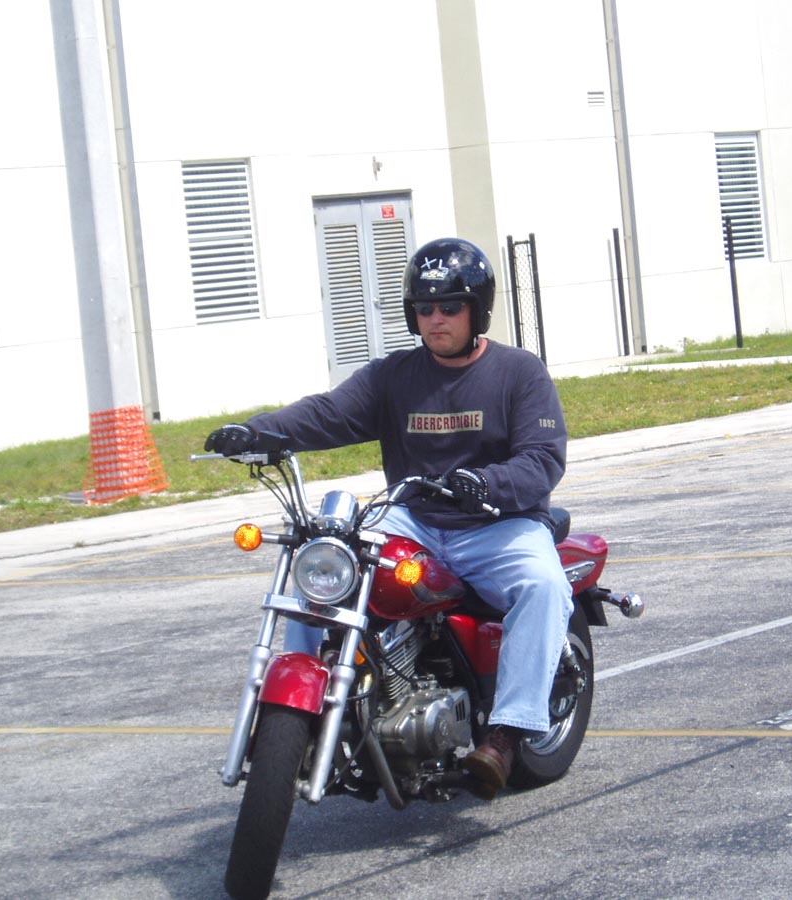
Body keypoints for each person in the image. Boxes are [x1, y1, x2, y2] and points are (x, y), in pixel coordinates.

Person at [204, 237, 573, 799]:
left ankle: (507, 732)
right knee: (326, 566)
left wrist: (486, 483)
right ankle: (300, 714)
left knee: (544, 586)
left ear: (477, 310)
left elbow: (542, 459)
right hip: (413, 520)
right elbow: (327, 413)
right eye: (424, 308)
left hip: (497, 524)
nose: (435, 318)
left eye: (449, 306)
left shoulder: (519, 373)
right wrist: (256, 432)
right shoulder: (395, 375)